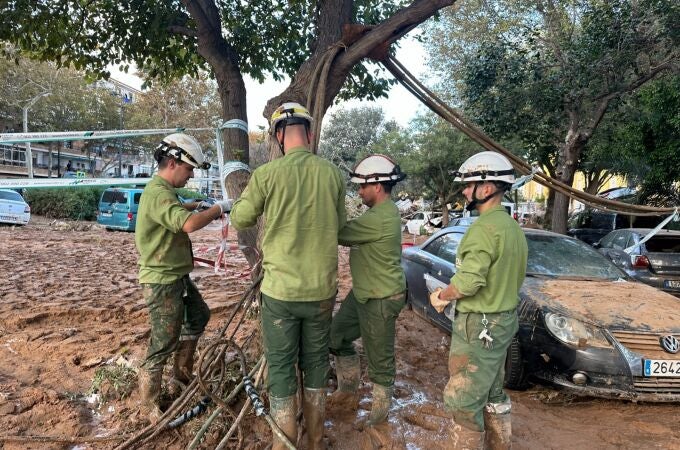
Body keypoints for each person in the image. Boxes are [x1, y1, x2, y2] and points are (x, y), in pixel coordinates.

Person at [230, 102, 346, 450]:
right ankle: (315, 440)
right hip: (321, 291)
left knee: (281, 369)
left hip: (280, 294)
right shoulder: (332, 174)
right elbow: (340, 228)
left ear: (278, 137)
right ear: (310, 134)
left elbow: (241, 219)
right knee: (315, 365)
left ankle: (284, 444)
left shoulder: (266, 175)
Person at [429, 151, 527, 450]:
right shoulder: (512, 228)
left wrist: (442, 296)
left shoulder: (483, 229)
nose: (463, 190)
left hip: (479, 323)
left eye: (468, 185)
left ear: (486, 188)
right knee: (493, 391)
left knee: (463, 398)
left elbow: (469, 282)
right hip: (503, 321)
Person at [135, 133, 233, 423]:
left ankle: (181, 374)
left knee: (199, 316)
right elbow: (188, 225)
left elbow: (180, 213)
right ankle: (148, 404)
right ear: (174, 163)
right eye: (189, 170)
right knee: (163, 340)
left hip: (176, 276)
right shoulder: (158, 193)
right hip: (162, 280)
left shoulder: (166, 193)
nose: (190, 176)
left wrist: (196, 205)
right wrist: (219, 208)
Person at [329, 154, 407, 428]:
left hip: (381, 297)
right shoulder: (377, 213)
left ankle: (379, 416)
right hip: (364, 291)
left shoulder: (382, 217)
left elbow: (341, 233)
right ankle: (348, 390)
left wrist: (335, 200)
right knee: (336, 335)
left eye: (361, 186)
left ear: (377, 186)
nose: (359, 191)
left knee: (380, 358)